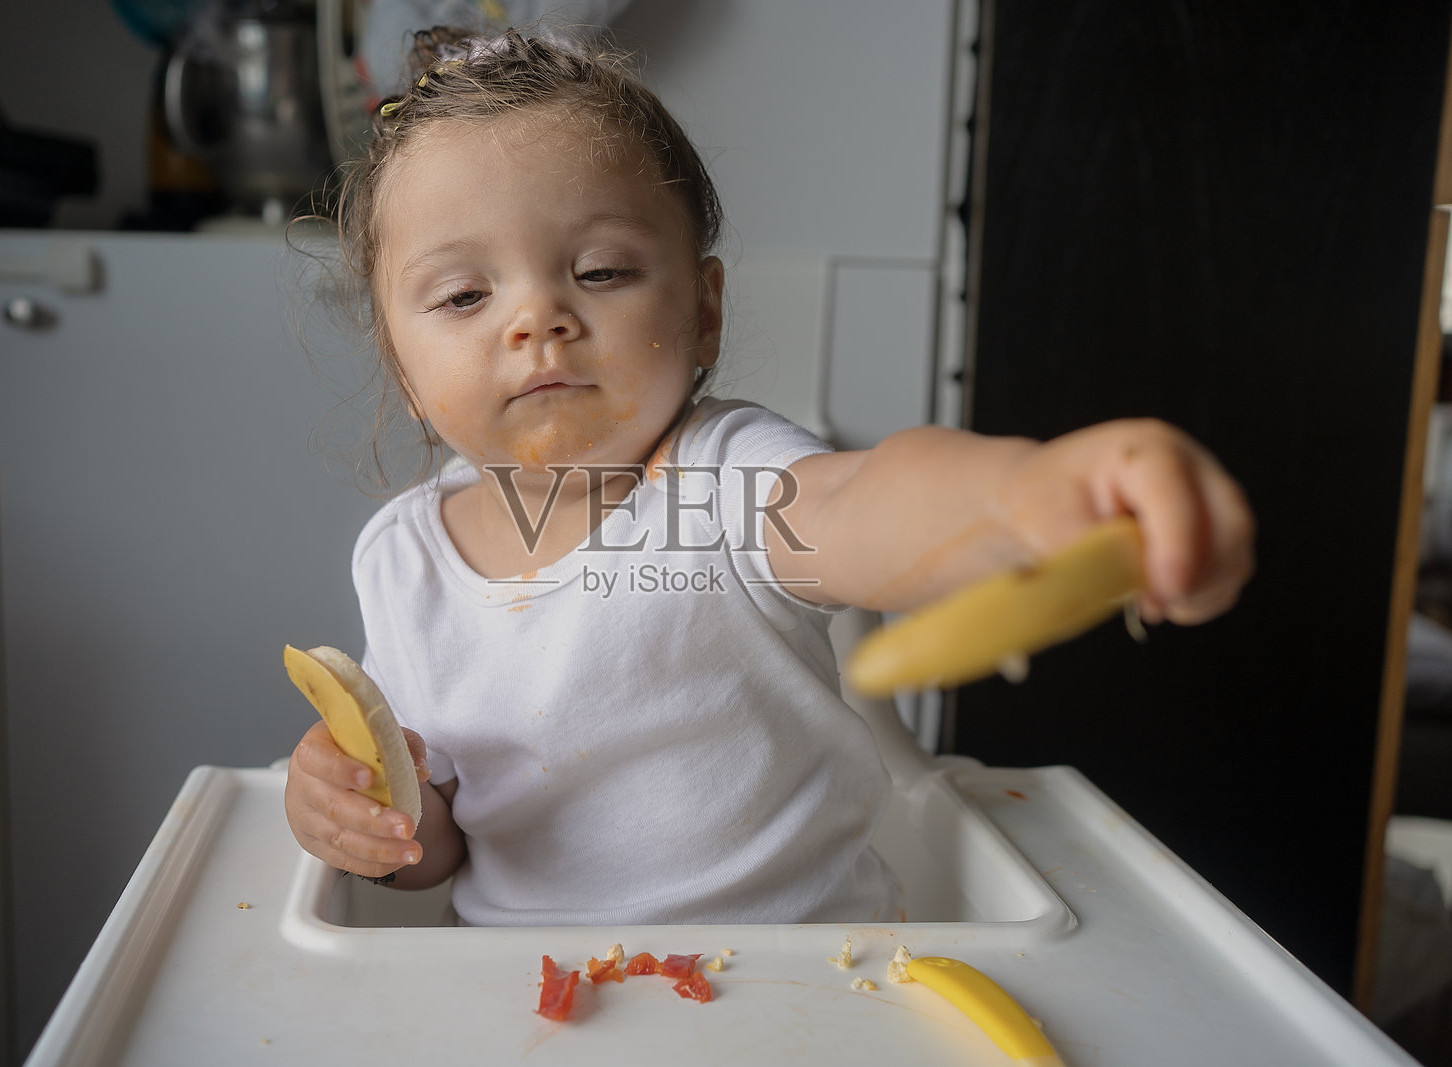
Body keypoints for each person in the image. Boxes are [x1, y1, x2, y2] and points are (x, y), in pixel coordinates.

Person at [283, 26, 1256, 926]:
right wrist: (361, 819)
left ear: (704, 310)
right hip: (542, 1003)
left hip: (804, 985)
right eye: (463, 293)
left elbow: (866, 503)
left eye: (603, 271)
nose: (536, 317)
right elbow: (435, 843)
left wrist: (1034, 494)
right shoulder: (403, 563)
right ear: (400, 366)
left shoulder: (728, 478)